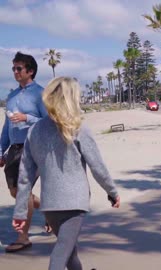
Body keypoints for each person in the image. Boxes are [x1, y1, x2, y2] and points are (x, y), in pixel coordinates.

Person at [12, 77, 120, 270]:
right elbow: (98, 167)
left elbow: (25, 176)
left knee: (70, 253)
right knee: (62, 252)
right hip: (74, 204)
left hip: (50, 205)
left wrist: (20, 211)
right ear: (72, 98)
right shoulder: (78, 128)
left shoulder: (35, 130)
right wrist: (112, 192)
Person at [0, 52, 49, 252]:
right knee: (15, 191)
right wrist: (1, 150)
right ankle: (47, 207)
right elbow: (6, 127)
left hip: (34, 147)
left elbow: (49, 123)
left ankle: (23, 237)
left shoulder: (41, 94)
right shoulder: (11, 96)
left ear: (30, 71)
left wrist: (27, 118)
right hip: (14, 149)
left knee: (23, 191)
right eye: (13, 68)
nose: (15, 72)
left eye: (19, 68)